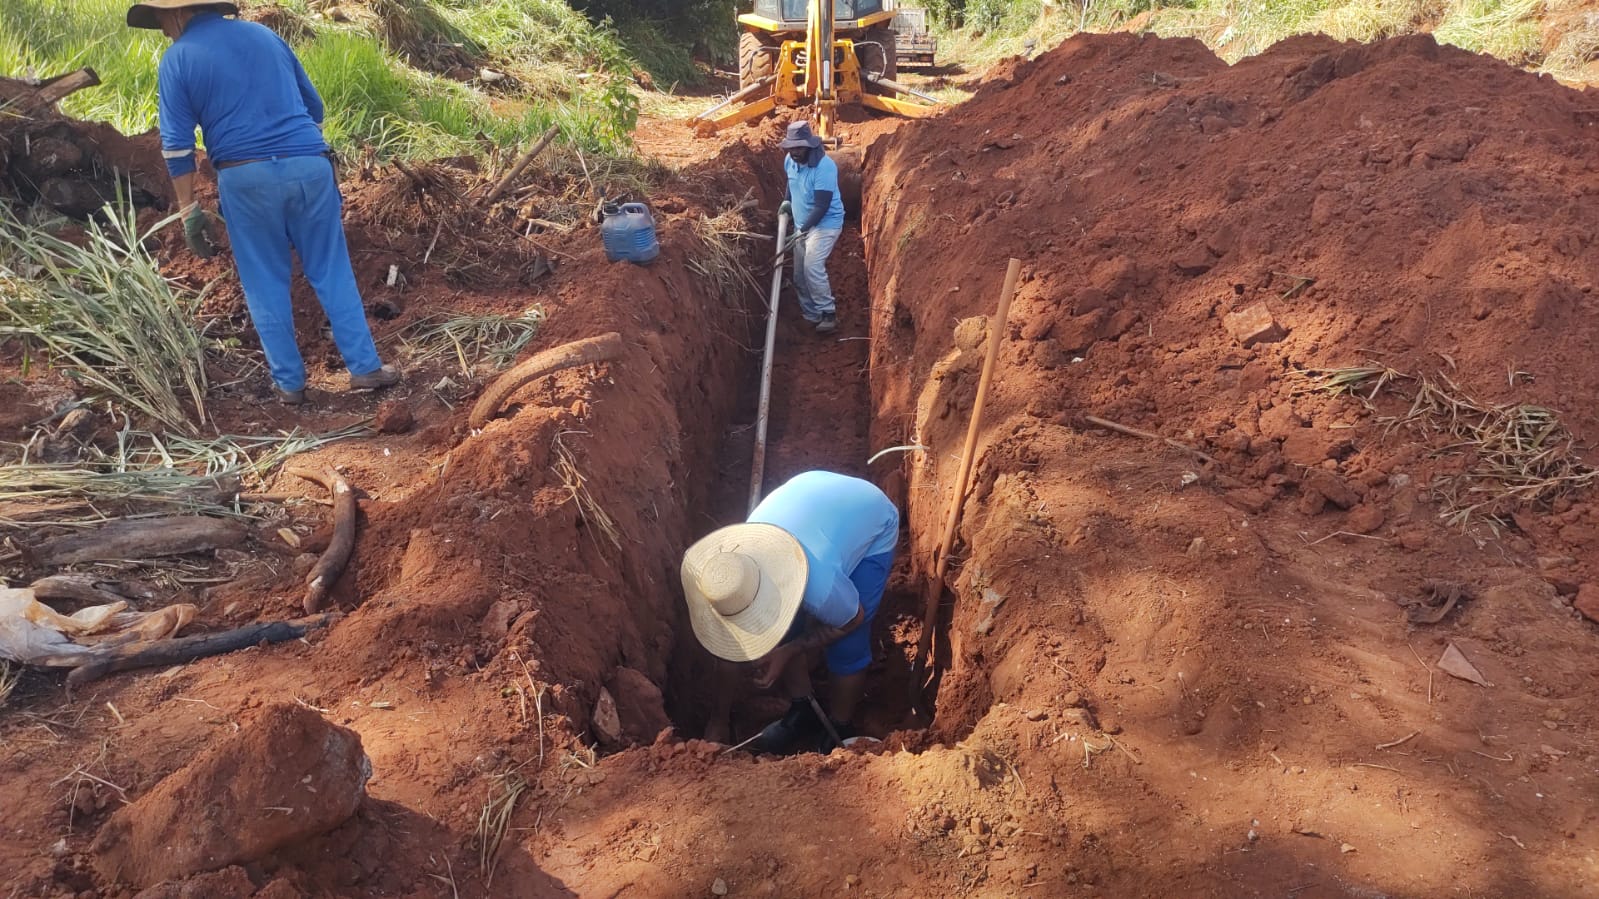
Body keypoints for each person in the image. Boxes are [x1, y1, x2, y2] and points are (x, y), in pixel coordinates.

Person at [129, 0, 400, 405]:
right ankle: (365, 368)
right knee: (331, 267)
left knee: (264, 280)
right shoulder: (265, 35)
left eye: (160, 21)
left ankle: (290, 385)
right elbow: (315, 108)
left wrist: (188, 210)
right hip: (311, 166)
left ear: (178, 14)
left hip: (246, 177)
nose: (163, 31)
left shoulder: (178, 59)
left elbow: (177, 146)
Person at [681, 470, 898, 754]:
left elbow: (852, 619)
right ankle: (804, 711)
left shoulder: (820, 589)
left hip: (871, 517)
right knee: (780, 627)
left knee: (847, 644)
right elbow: (728, 650)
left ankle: (840, 726)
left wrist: (789, 650)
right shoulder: (729, 575)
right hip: (809, 500)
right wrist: (718, 720)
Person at [779, 121, 846, 335]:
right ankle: (812, 316)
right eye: (791, 148)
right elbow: (792, 182)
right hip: (803, 224)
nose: (795, 152)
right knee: (799, 276)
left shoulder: (824, 167)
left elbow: (822, 206)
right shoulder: (790, 160)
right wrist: (787, 201)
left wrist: (802, 230)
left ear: (808, 146)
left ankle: (828, 314)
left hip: (825, 223)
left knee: (812, 267)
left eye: (799, 148)